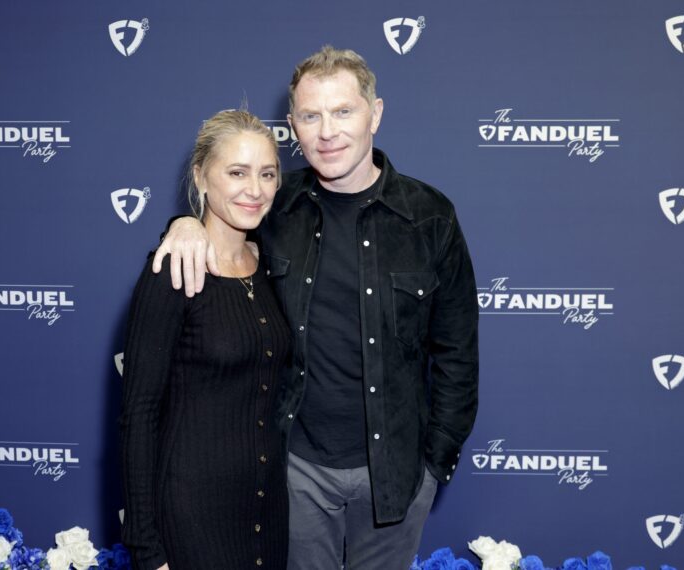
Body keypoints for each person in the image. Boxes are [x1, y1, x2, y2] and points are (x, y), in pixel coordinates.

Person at [154, 46, 479, 570]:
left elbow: (458, 354)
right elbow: (217, 222)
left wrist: (434, 465)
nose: (327, 132)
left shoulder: (430, 217)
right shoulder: (274, 206)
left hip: (396, 473)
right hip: (293, 470)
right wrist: (182, 224)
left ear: (374, 114)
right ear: (293, 127)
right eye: (311, 116)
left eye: (343, 112)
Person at [120, 109, 290, 570]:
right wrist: (147, 548)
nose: (254, 190)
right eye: (236, 172)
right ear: (201, 177)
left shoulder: (275, 265)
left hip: (268, 513)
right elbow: (138, 415)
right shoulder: (172, 271)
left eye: (267, 174)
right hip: (191, 519)